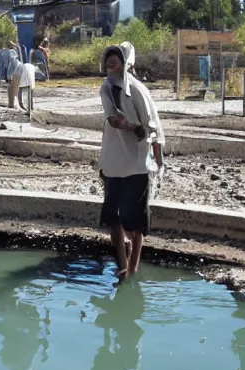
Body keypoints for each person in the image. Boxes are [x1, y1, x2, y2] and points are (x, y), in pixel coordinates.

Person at [98, 43, 164, 281]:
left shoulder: (137, 91)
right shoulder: (106, 89)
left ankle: (133, 270)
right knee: (114, 219)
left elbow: (151, 127)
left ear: (124, 65)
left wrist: (133, 127)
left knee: (135, 224)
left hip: (136, 166)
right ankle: (122, 264)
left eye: (114, 63)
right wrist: (120, 123)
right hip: (113, 164)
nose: (110, 67)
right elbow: (111, 118)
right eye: (108, 64)